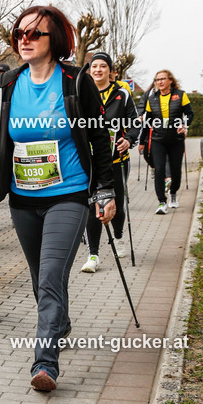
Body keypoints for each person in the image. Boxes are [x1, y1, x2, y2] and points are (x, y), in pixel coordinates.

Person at [0, 5, 115, 393]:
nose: (25, 39)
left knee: (52, 275)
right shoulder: (8, 84)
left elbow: (99, 138)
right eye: (20, 33)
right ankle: (59, 322)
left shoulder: (75, 81)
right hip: (22, 199)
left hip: (69, 195)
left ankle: (45, 363)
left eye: (35, 34)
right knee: (40, 279)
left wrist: (105, 190)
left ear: (55, 40)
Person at [80, 52, 140, 271]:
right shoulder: (81, 93)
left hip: (116, 159)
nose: (98, 70)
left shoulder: (122, 93)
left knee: (116, 204)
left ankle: (118, 236)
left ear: (111, 71)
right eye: (94, 66)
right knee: (92, 204)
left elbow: (135, 123)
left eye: (103, 66)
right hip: (89, 160)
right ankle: (93, 255)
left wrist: (129, 139)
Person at [139, 69, 193, 213]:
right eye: (157, 80)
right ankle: (161, 202)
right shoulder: (152, 98)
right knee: (159, 170)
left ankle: (173, 192)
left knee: (175, 172)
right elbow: (147, 122)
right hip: (158, 140)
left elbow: (189, 113)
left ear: (170, 80)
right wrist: (142, 142)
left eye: (163, 79)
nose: (160, 82)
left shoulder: (180, 95)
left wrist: (184, 124)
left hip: (176, 139)